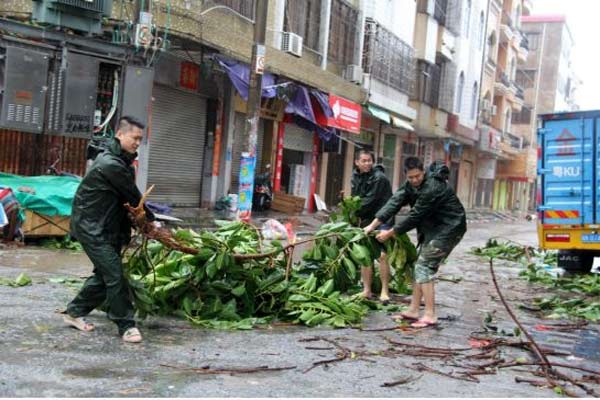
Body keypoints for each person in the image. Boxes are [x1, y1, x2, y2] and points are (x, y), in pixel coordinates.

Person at [63, 116, 155, 343]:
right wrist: (152, 221)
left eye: (140, 140)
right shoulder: (110, 164)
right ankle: (126, 325)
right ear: (120, 135)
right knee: (114, 274)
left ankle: (74, 312)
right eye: (134, 138)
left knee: (104, 275)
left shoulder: (121, 161)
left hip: (107, 227)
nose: (137, 143)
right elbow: (133, 196)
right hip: (92, 227)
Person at [364, 157, 467, 328]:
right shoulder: (410, 186)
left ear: (423, 172)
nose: (414, 180)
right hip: (432, 229)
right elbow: (394, 203)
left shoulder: (432, 187)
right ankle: (413, 309)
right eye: (410, 177)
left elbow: (414, 216)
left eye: (417, 176)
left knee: (424, 267)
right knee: (418, 267)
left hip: (450, 228)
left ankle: (430, 314)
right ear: (406, 175)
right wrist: (372, 225)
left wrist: (390, 233)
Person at [350, 149, 393, 303]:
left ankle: (384, 291)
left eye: (369, 160)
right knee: (365, 255)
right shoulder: (355, 176)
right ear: (357, 162)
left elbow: (369, 201)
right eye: (364, 161)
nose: (367, 163)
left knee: (382, 255)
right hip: (366, 218)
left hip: (382, 218)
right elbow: (356, 198)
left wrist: (352, 210)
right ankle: (367, 290)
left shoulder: (379, 178)